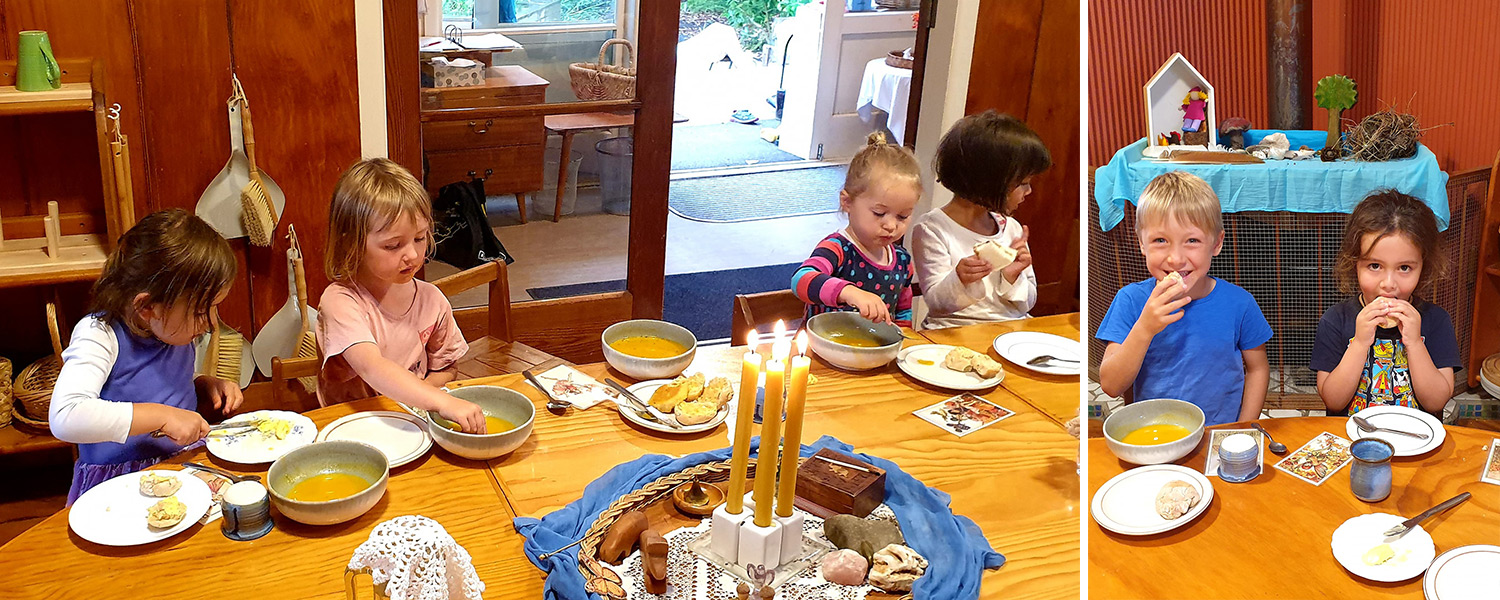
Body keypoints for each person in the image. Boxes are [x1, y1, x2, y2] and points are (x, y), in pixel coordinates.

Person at [50, 209, 241, 504]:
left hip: (181, 465)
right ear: (147, 307)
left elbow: (153, 379)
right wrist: (163, 417)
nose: (211, 323)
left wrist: (202, 383)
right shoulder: (99, 334)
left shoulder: (169, 328)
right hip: (118, 485)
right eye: (202, 311)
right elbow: (65, 416)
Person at [317, 158, 486, 432]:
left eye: (419, 238)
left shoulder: (432, 300)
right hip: (355, 427)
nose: (412, 254)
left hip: (410, 425)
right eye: (393, 245)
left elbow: (446, 367)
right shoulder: (340, 302)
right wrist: (439, 402)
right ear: (352, 242)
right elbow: (372, 367)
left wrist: (421, 400)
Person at [1095, 171, 1272, 426]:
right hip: (1153, 436)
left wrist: (1241, 428)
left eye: (1192, 240)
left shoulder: (1240, 303)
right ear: (1142, 244)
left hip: (1218, 434)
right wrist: (1145, 327)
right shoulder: (1131, 301)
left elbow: (1257, 369)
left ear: (1216, 244)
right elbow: (1111, 385)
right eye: (1160, 240)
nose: (1176, 259)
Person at [1311, 191, 1461, 417]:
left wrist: (1415, 343)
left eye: (1404, 268)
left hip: (1415, 442)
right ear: (1354, 264)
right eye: (1374, 266)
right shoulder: (1336, 320)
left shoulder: (1435, 320)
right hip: (1353, 441)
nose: (1388, 284)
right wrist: (1360, 342)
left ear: (1424, 267)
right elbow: (1332, 400)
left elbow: (1436, 402)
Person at [910, 111, 1051, 328]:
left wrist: (1012, 276)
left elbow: (1028, 303)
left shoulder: (1011, 229)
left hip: (1009, 332)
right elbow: (937, 304)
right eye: (1022, 183)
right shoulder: (933, 229)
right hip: (952, 331)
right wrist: (960, 279)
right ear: (989, 181)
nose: (1029, 190)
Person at [791, 132, 920, 326]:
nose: (891, 226)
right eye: (879, 213)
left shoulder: (902, 261)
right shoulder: (837, 249)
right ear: (847, 202)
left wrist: (905, 335)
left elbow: (903, 308)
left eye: (903, 216)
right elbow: (801, 280)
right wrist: (849, 292)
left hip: (874, 352)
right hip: (822, 350)